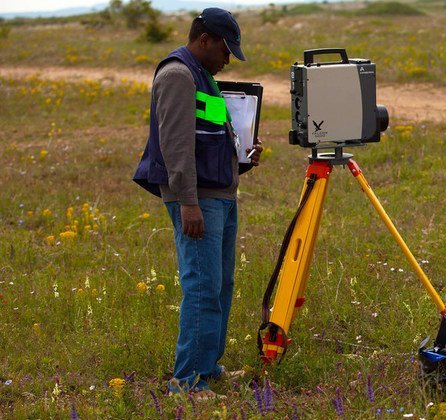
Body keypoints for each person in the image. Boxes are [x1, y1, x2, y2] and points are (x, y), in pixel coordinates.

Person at [132, 8, 262, 398]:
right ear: (203, 39)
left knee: (220, 285)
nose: (228, 59)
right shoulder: (177, 75)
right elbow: (175, 145)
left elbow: (210, 137)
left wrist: (243, 158)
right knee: (203, 288)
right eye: (225, 49)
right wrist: (187, 201)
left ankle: (208, 367)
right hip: (198, 199)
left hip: (218, 194)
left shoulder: (203, 77)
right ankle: (187, 381)